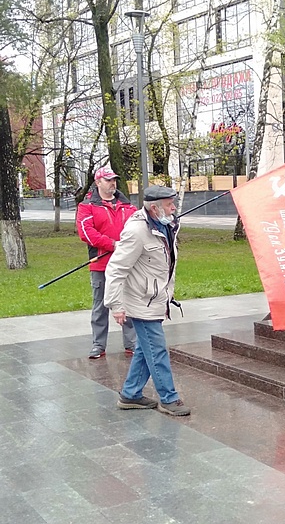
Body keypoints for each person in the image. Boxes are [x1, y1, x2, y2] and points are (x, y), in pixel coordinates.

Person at [104, 185, 190, 416]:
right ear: (154, 207)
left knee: (145, 349)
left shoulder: (165, 224)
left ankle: (130, 394)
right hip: (140, 302)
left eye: (173, 203)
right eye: (169, 204)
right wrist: (116, 305)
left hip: (155, 299)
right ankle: (169, 398)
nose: (174, 207)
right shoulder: (136, 231)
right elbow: (115, 269)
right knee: (157, 350)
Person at [76, 166, 137, 359]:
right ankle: (98, 345)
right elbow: (86, 233)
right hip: (100, 264)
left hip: (127, 264)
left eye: (114, 180)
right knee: (100, 306)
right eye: (108, 180)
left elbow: (138, 228)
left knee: (127, 302)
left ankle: (132, 343)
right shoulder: (86, 206)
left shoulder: (128, 207)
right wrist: (112, 244)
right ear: (98, 182)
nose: (112, 183)